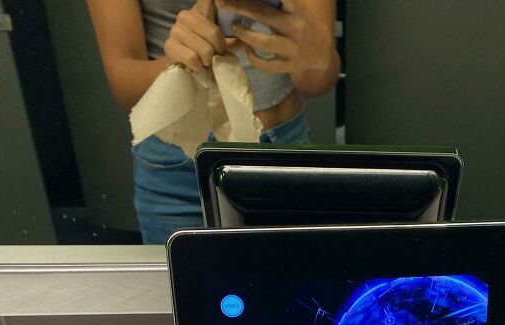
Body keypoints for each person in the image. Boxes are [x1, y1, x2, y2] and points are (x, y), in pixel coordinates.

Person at [87, 0, 339, 243]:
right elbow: (123, 85)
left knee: (298, 271)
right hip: (175, 165)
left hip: (280, 153)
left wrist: (313, 52)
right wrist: (179, 64)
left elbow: (317, 81)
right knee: (184, 273)